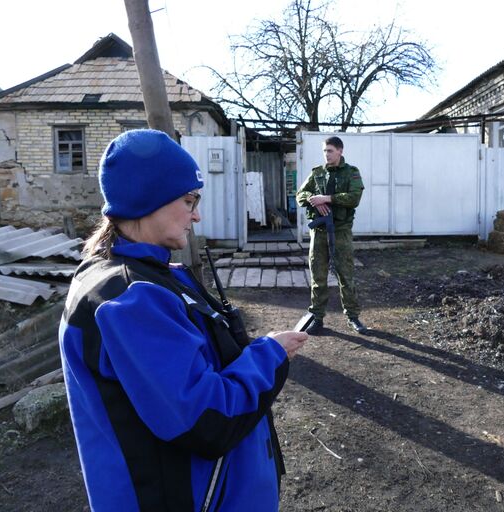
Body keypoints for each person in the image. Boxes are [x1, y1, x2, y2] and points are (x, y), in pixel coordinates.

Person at [59, 129, 307, 512]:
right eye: (189, 200)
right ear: (149, 199)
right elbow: (205, 419)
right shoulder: (132, 299)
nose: (197, 214)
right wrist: (269, 354)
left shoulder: (152, 278)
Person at [296, 136, 366, 334]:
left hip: (341, 231)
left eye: (330, 151)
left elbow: (354, 197)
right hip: (319, 233)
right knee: (318, 276)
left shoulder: (351, 172)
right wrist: (313, 199)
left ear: (340, 151)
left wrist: (327, 199)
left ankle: (353, 317)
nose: (327, 154)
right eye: (325, 151)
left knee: (346, 275)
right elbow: (300, 195)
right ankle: (317, 318)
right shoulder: (317, 173)